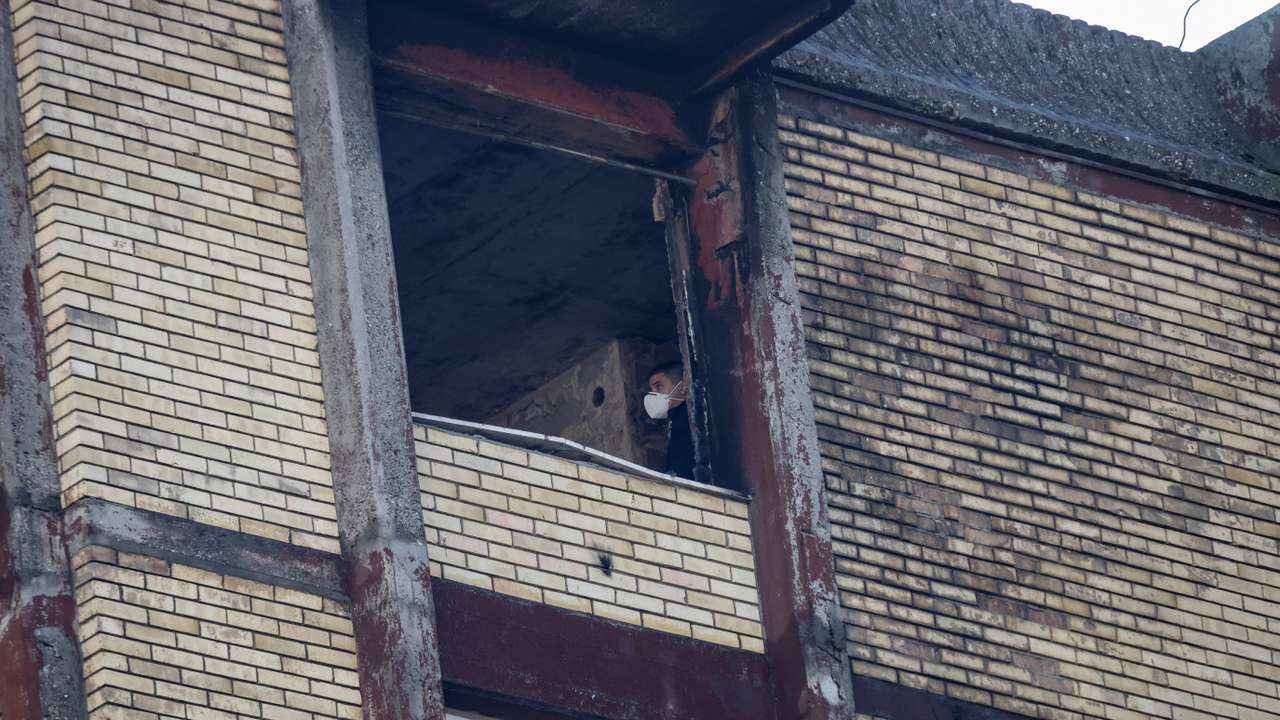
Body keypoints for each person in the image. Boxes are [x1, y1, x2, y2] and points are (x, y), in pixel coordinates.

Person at [644, 361, 695, 480]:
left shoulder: (694, 413)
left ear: (682, 386)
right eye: (651, 389)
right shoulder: (675, 419)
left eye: (658, 386)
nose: (654, 394)